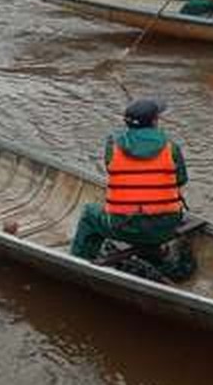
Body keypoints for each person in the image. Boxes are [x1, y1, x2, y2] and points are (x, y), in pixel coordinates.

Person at [70, 99, 189, 264]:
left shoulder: (113, 145)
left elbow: (112, 169)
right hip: (166, 227)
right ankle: (153, 251)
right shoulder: (172, 147)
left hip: (123, 227)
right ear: (155, 121)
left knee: (89, 213)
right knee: (161, 213)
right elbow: (181, 180)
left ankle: (79, 261)